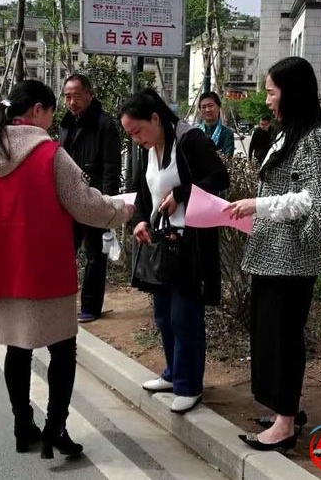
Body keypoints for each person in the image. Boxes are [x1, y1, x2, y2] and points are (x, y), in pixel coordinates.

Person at [0, 80, 134, 460]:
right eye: (51, 112)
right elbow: (85, 205)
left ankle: (22, 425)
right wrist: (121, 209)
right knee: (62, 349)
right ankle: (55, 429)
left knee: (17, 348)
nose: (52, 120)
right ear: (38, 110)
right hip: (43, 270)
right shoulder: (49, 154)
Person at [224, 56, 321, 453]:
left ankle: (285, 424)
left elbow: (313, 200)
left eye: (272, 92)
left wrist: (258, 205)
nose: (268, 99)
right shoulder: (289, 132)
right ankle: (284, 409)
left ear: (292, 92)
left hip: (291, 259)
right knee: (269, 336)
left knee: (283, 339)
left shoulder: (315, 139)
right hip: (271, 253)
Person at [121, 89, 230, 414]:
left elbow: (219, 177)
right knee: (164, 315)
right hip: (161, 244)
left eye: (137, 131)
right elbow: (142, 192)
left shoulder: (189, 139)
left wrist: (181, 194)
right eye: (130, 134)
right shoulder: (148, 149)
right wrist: (140, 220)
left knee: (185, 317)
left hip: (189, 244)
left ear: (155, 118)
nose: (136, 139)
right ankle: (172, 373)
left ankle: (189, 385)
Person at [59, 73, 122, 323]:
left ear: (89, 94)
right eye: (67, 97)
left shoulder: (104, 124)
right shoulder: (66, 123)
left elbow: (111, 167)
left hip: (95, 199)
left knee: (95, 255)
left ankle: (91, 306)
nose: (71, 102)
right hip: (69, 199)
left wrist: (108, 202)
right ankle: (61, 301)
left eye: (76, 96)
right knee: (64, 252)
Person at [197, 91, 235, 156]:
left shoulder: (227, 133)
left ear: (219, 107)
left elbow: (227, 157)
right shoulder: (195, 132)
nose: (207, 110)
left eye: (210, 105)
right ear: (200, 110)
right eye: (203, 107)